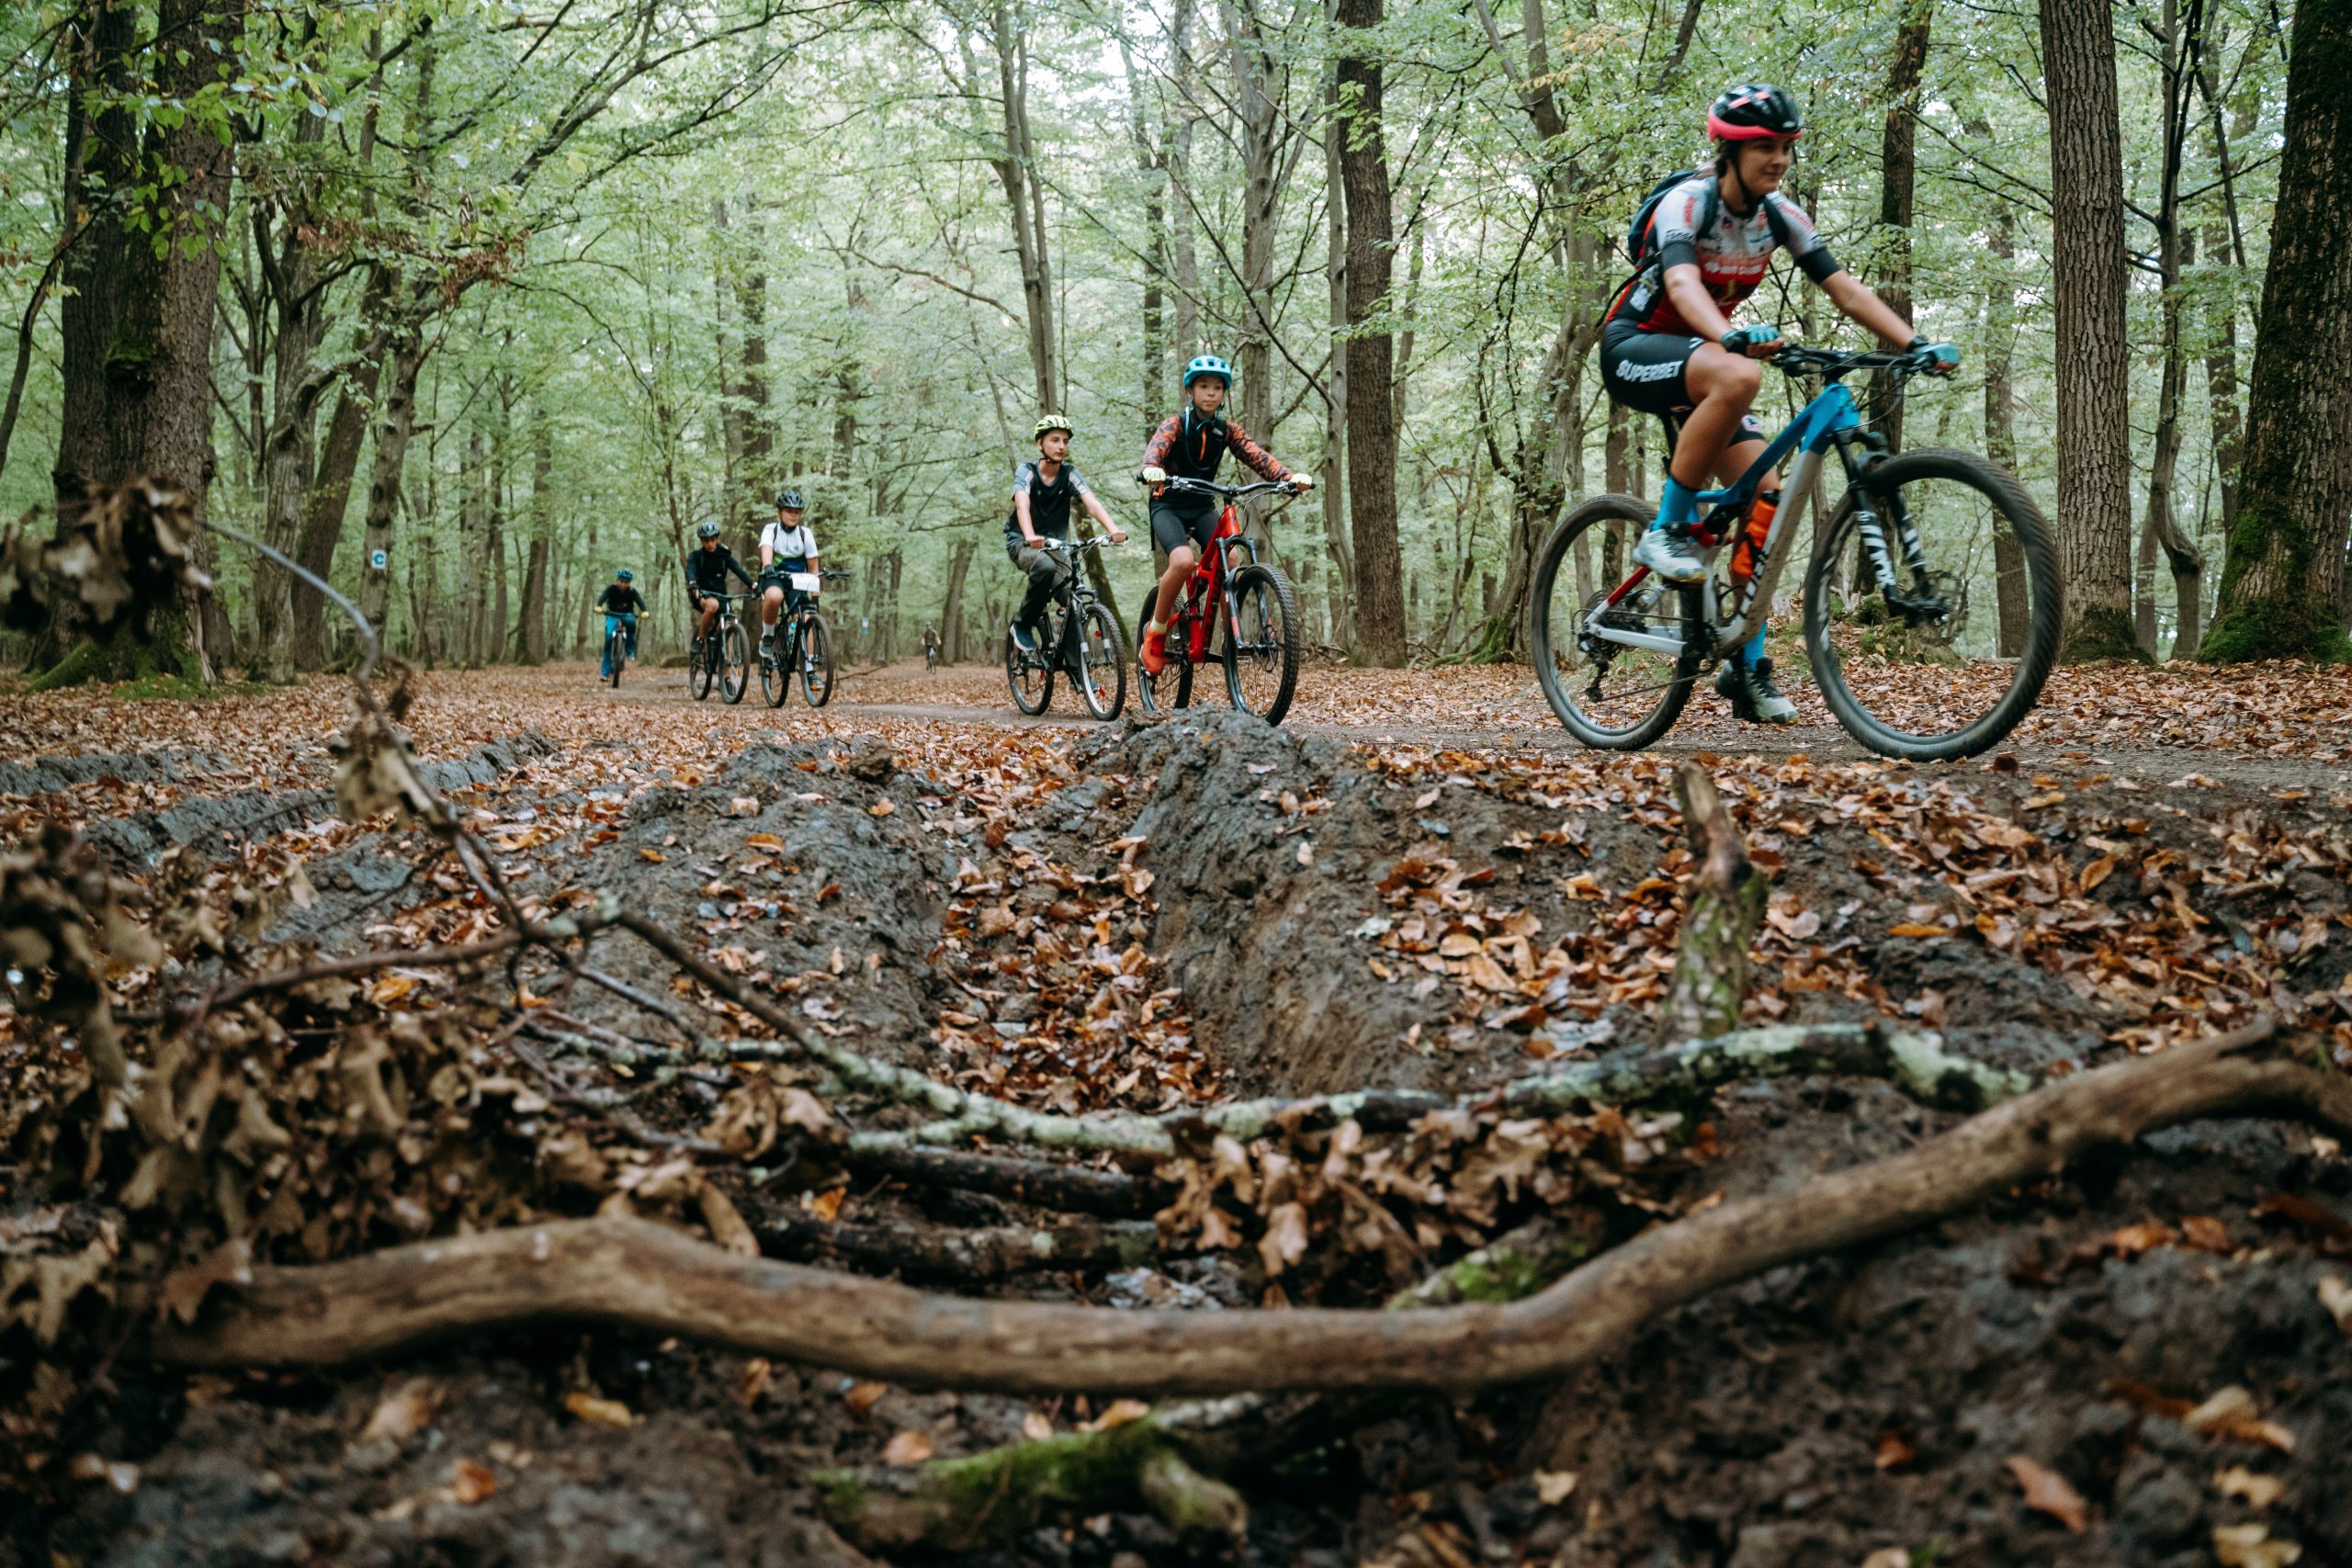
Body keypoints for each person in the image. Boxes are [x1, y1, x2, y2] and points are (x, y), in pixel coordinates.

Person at [1600, 83, 1955, 724]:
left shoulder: (1780, 217)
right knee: (1739, 377)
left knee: (1765, 496)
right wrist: (1727, 335)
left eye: (1787, 147)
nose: (1779, 159)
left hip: (1708, 360)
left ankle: (1747, 663)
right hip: (1638, 346)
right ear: (1729, 151)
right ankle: (1666, 532)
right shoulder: (1688, 203)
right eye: (1764, 146)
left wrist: (1915, 343)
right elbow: (1681, 280)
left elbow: (1843, 287)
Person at [1135, 356, 1308, 675]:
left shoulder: (1226, 429)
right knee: (1184, 561)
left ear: (1224, 393)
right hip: (1168, 504)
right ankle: (1156, 633)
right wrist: (1151, 469)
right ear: (1190, 390)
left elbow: (1256, 454)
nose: (1211, 394)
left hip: (1202, 505)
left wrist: (1287, 477)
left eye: (1217, 388)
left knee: (1233, 563)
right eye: (1204, 386)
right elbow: (1155, 450)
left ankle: (1233, 638)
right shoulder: (1175, 424)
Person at [1006, 414, 1127, 654]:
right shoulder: (1027, 471)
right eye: (1054, 440)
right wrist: (1030, 535)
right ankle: (1022, 624)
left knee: (1073, 600)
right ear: (1040, 443)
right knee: (1044, 567)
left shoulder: (1069, 473)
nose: (1061, 446)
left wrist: (1112, 529)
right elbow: (1022, 504)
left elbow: (1091, 503)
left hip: (1056, 544)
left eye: (1065, 441)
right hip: (1023, 542)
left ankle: (1077, 671)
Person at [758, 489, 820, 660]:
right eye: (789, 511)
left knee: (806, 619)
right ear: (779, 512)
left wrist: (815, 597)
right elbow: (766, 549)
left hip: (797, 582)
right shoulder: (771, 530)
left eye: (797, 512)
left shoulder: (805, 534)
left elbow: (814, 567)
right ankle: (768, 636)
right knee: (775, 596)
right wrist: (768, 565)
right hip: (775, 578)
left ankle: (809, 669)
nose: (793, 515)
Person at [686, 519, 755, 654]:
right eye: (706, 541)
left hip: (721, 595)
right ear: (702, 541)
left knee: (729, 623)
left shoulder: (724, 555)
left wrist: (752, 584)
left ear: (718, 538)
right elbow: (691, 572)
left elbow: (738, 570)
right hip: (701, 594)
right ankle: (700, 639)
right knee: (713, 606)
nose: (710, 544)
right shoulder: (696, 556)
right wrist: (693, 584)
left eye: (713, 540)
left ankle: (728, 668)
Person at [596, 569, 646, 680]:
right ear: (617, 580)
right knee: (609, 638)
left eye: (626, 582)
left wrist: (644, 610)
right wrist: (599, 606)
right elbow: (603, 597)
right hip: (612, 614)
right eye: (621, 581)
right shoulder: (611, 589)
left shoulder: (632, 591)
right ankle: (604, 673)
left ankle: (629, 650)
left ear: (629, 583)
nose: (623, 584)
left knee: (632, 624)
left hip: (627, 615)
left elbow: (640, 601)